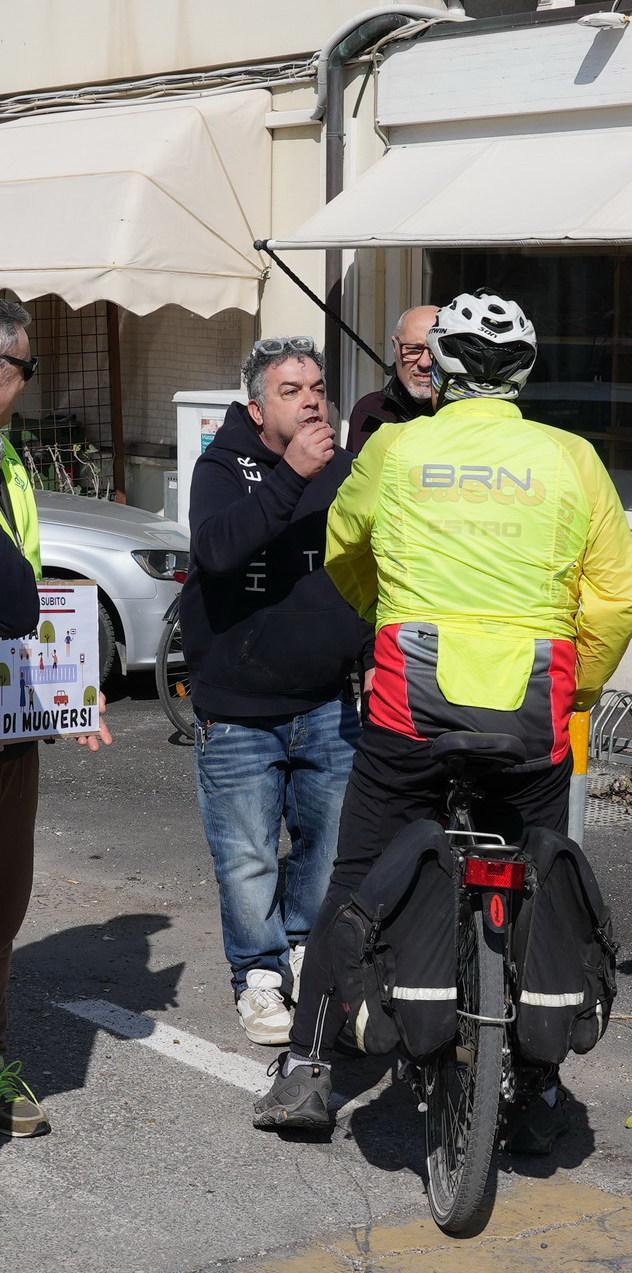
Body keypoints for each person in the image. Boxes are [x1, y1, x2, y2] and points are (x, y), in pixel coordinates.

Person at [253, 289, 632, 1149]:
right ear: (524, 372)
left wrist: (385, 606)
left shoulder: (395, 448)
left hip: (410, 709)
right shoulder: (572, 458)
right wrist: (575, 688)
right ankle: (536, 1082)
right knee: (537, 872)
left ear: (447, 369)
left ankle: (309, 1067)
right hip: (529, 714)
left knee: (357, 876)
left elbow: (343, 551)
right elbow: (621, 596)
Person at [183, 337, 371, 1046]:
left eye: (318, 386)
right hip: (237, 706)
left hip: (326, 698)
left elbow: (369, 564)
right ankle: (258, 976)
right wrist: (290, 475)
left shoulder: (345, 469)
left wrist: (370, 650)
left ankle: (304, 951)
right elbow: (219, 549)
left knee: (326, 846)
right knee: (248, 852)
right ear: (258, 405)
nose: (313, 399)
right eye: (292, 389)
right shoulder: (221, 466)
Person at [0, 298, 112, 1138]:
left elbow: (29, 597)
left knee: (7, 900)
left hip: (10, 716)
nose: (26, 385)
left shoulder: (7, 458)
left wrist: (74, 683)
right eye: (24, 368)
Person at [345, 305, 439, 455]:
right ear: (394, 347)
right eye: (413, 349)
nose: (425, 363)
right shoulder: (367, 412)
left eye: (435, 351)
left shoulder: (464, 417)